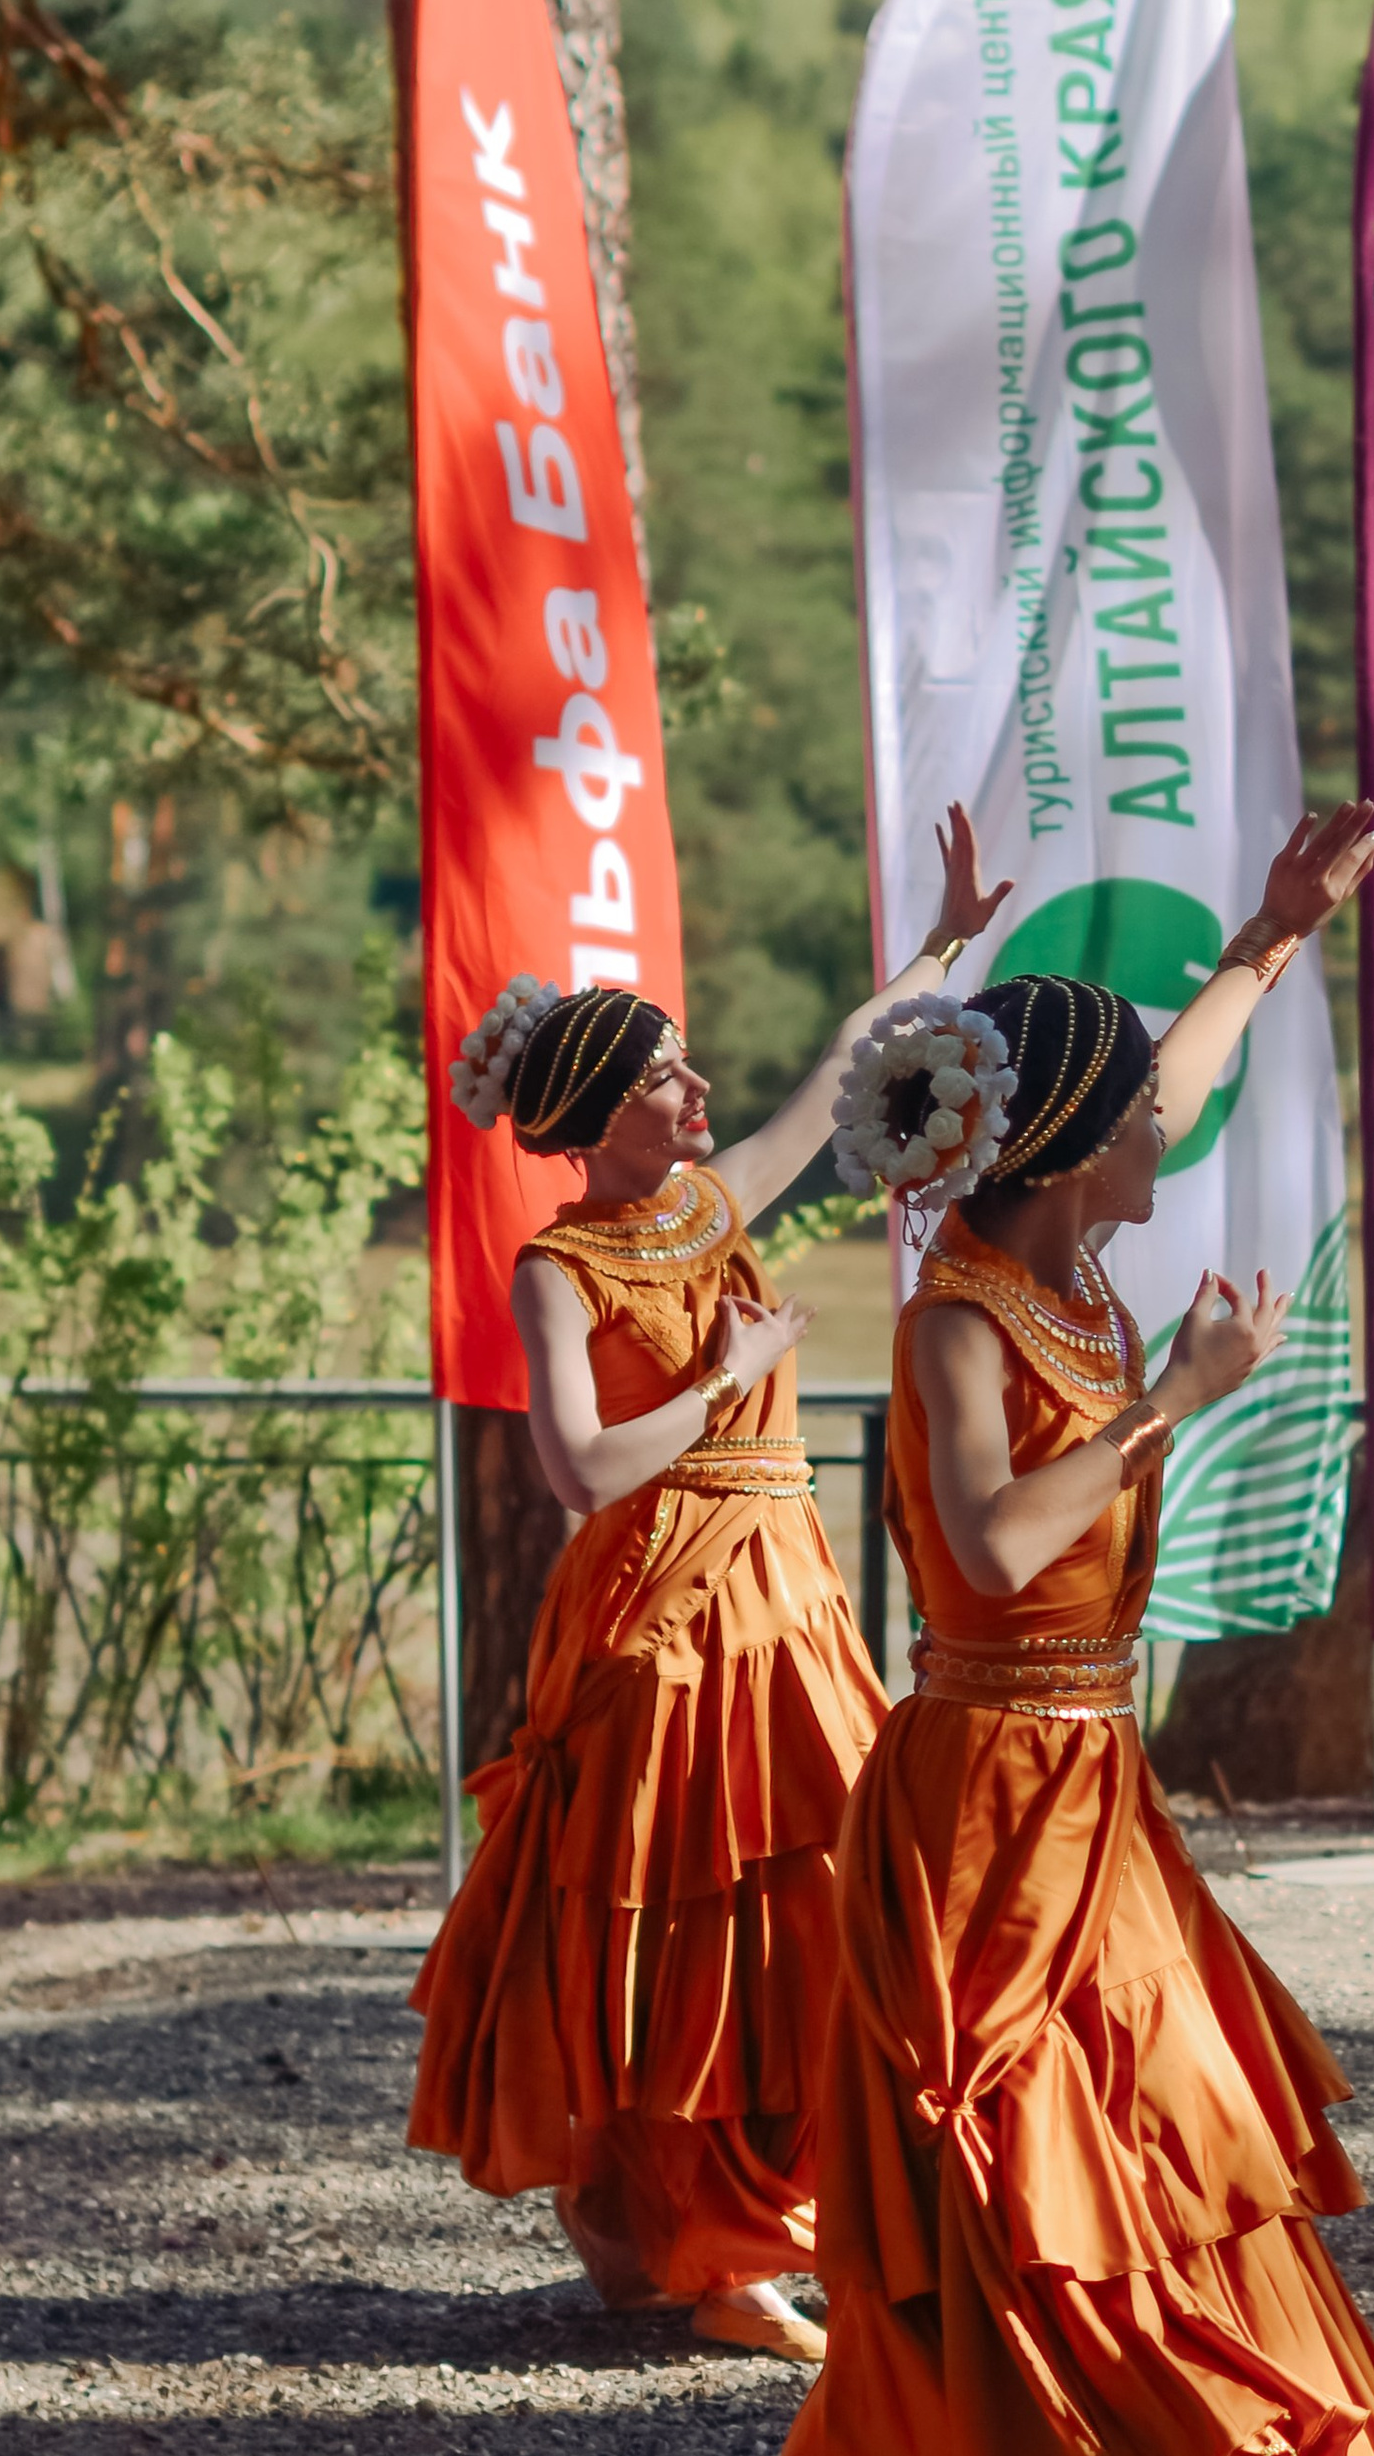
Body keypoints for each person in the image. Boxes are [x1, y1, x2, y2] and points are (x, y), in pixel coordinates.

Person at [672, 805, 1374, 2456]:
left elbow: (1164, 1066)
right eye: (1130, 1123)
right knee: (1019, 2191)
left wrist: (1273, 935)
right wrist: (1173, 1408)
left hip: (1097, 1786)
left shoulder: (1083, 1271)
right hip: (982, 1796)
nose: (1162, 1139)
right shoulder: (952, 1314)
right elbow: (996, 1553)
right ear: (1057, 1146)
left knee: (1163, 2160)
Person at [407, 805, 1012, 2362]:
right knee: (685, 1926)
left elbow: (840, 1066)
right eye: (667, 1071)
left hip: (782, 1598)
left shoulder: (713, 1203)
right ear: (605, 1109)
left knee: (829, 1891)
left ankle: (760, 2216)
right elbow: (582, 1469)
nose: (697, 1086)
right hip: (659, 1626)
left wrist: (945, 939)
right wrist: (727, 1373)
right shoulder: (563, 1267)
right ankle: (700, 2244)